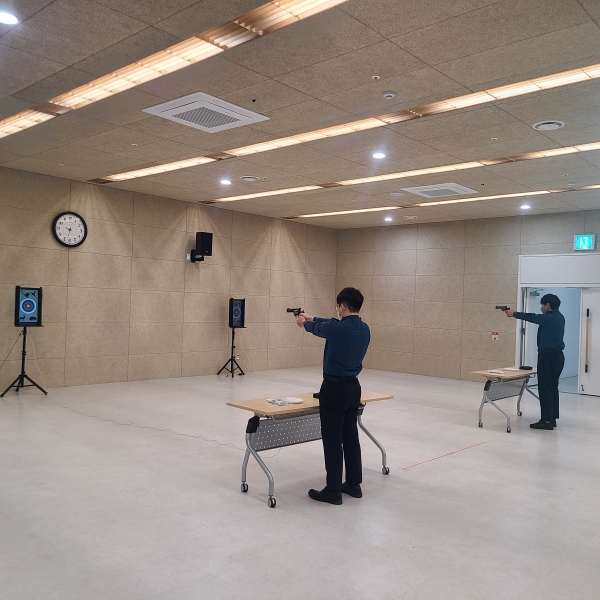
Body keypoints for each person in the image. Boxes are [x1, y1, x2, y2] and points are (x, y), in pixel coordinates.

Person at [296, 287, 370, 505]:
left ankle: (333, 490)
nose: (337, 310)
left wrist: (303, 323)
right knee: (350, 437)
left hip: (334, 389)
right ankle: (354, 484)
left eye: (338, 307)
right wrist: (312, 316)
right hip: (353, 388)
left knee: (333, 440)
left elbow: (318, 328)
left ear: (342, 307)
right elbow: (329, 323)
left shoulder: (337, 329)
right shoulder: (364, 328)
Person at [505, 293, 565, 430]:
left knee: (545, 388)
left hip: (548, 357)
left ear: (548, 305)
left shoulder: (549, 317)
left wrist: (514, 314)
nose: (542, 307)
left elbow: (532, 317)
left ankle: (546, 421)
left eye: (542, 305)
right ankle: (551, 418)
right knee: (552, 387)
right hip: (557, 357)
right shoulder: (560, 317)